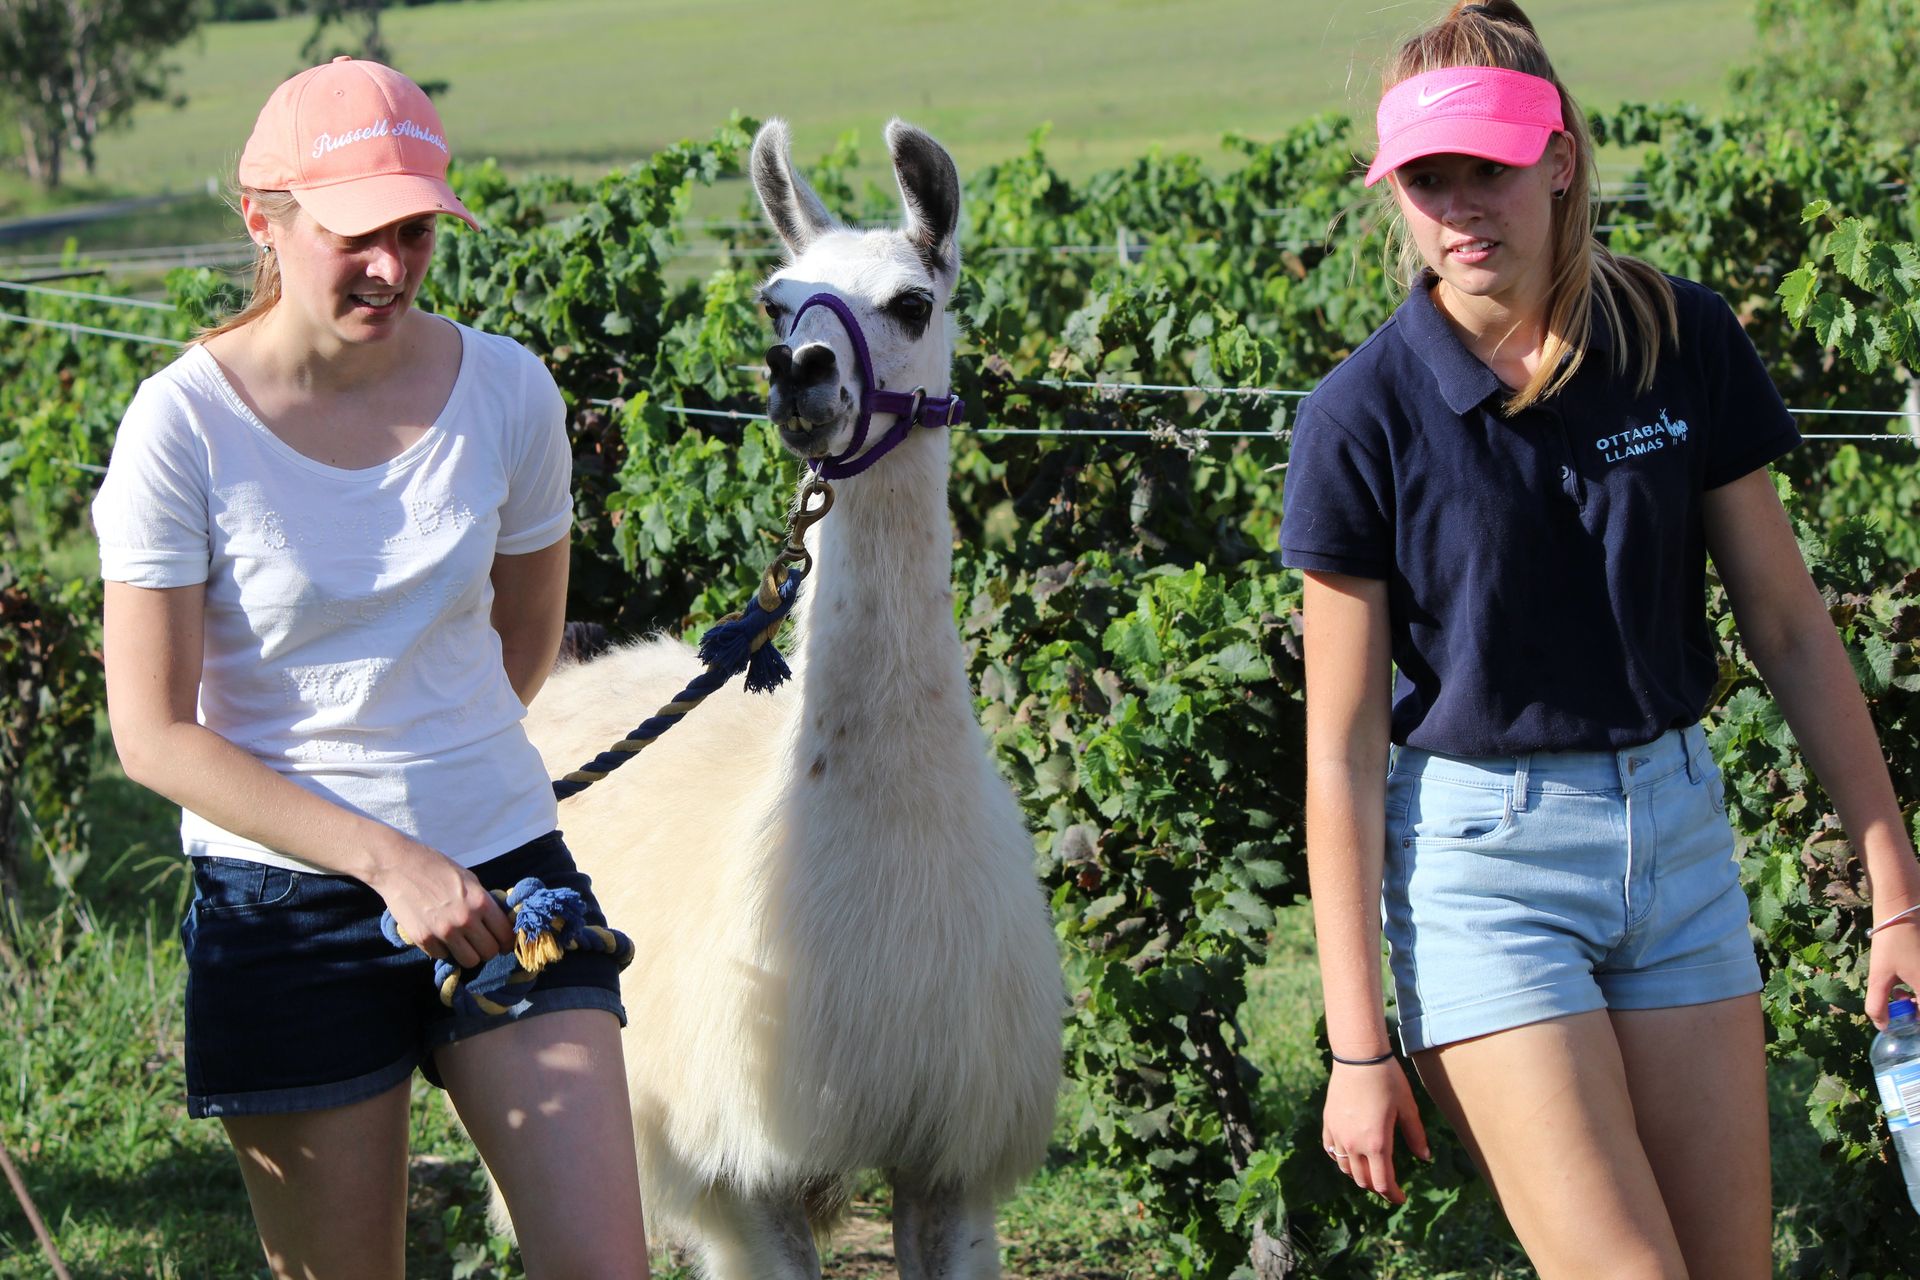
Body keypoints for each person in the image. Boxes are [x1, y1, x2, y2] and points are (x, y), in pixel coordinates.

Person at [1278, 2, 1920, 1275]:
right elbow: (1341, 755)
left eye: (1491, 168)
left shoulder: (1677, 339)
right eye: (1427, 178)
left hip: (1678, 851)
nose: (1462, 206)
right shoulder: (1358, 419)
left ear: (1560, 160)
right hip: (1485, 876)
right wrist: (1360, 1046)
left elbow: (1789, 630)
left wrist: (1896, 889)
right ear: (1394, 193)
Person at [92, 57, 650, 1279]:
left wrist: (449, 799)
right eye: (356, 233)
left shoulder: (508, 392)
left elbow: (524, 642)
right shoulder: (181, 428)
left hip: (505, 873)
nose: (391, 266)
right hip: (284, 906)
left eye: (415, 230)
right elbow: (153, 733)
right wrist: (387, 853)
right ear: (264, 219)